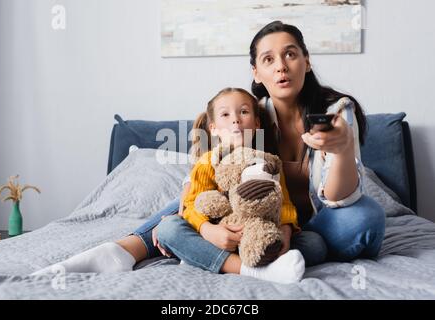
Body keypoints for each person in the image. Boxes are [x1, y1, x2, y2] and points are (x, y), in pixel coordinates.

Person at [156, 21, 386, 271]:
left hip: (313, 223)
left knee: (366, 215)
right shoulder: (252, 114)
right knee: (182, 208)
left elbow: (337, 197)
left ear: (306, 61)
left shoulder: (337, 112)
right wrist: (192, 198)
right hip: (254, 217)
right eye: (268, 59)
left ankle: (250, 254)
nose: (281, 66)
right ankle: (133, 245)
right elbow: (212, 165)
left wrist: (342, 150)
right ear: (256, 72)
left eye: (290, 54)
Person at [155, 87, 305, 285]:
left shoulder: (269, 162)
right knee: (168, 229)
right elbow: (192, 205)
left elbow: (283, 202)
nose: (236, 120)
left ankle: (203, 258)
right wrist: (209, 230)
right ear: (213, 128)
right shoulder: (208, 162)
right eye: (225, 114)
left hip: (259, 233)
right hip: (217, 238)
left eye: (244, 112)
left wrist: (285, 231)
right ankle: (249, 270)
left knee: (314, 244)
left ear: (257, 123)